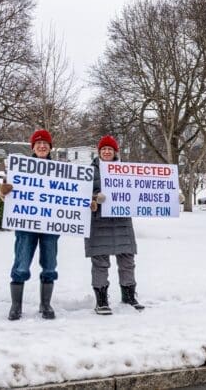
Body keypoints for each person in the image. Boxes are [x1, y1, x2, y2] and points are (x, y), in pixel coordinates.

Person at [0, 129, 59, 320]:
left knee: (49, 265)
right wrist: (3, 191)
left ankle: (45, 304)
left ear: (50, 147)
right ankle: (16, 306)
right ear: (32, 147)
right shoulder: (20, 168)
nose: (42, 146)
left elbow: (71, 196)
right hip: (26, 225)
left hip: (50, 225)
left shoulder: (61, 171)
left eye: (46, 144)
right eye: (38, 143)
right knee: (21, 265)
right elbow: (8, 197)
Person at [85, 135, 143, 315]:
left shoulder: (126, 170)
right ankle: (101, 300)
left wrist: (171, 199)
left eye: (110, 149)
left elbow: (142, 190)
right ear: (99, 151)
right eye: (104, 149)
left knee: (127, 260)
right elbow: (79, 194)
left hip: (122, 221)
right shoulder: (89, 171)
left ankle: (129, 296)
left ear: (115, 152)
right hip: (98, 222)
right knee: (100, 261)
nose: (107, 152)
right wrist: (94, 198)